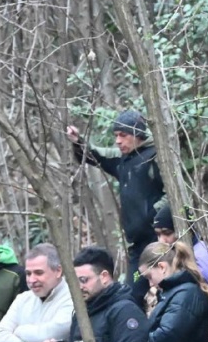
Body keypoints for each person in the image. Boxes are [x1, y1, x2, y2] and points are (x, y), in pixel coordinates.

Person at [67, 110, 165, 296]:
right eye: (116, 136)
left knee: (166, 290)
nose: (118, 141)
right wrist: (78, 141)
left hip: (161, 242)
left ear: (138, 135)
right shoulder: (123, 159)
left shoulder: (156, 156)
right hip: (138, 248)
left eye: (123, 135)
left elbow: (173, 193)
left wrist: (154, 215)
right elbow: (96, 155)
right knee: (132, 294)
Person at [153, 205, 208, 283]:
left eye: (167, 233)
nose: (161, 240)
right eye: (158, 235)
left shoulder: (199, 255)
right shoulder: (173, 255)